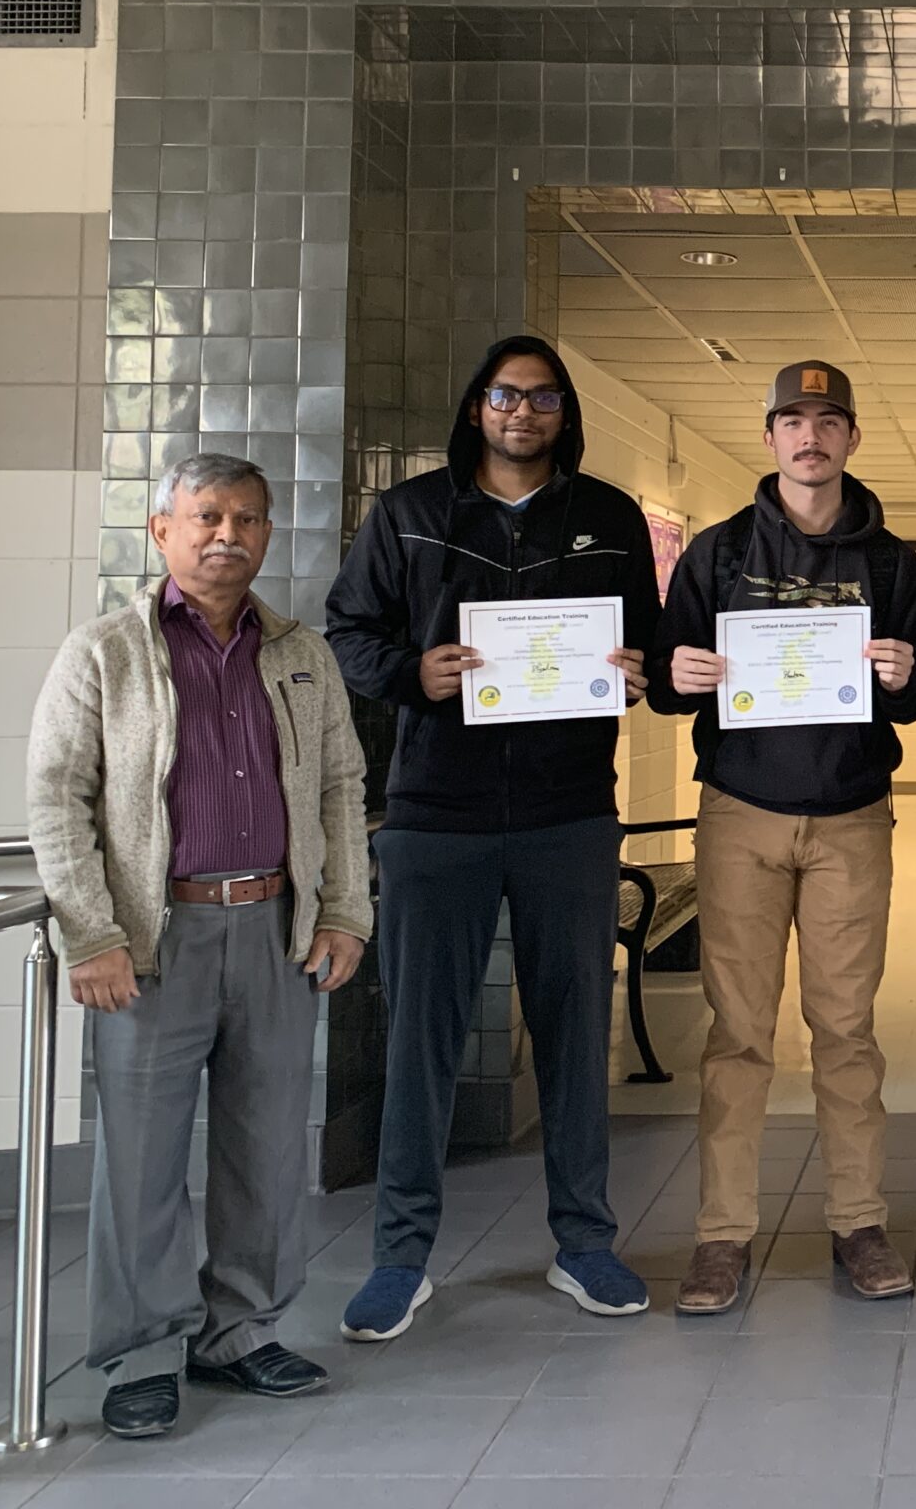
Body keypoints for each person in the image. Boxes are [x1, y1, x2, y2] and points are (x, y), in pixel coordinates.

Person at [27, 453, 371, 1440]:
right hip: (152, 943)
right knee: (140, 1162)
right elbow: (57, 797)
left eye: (250, 520)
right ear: (162, 531)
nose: (229, 535)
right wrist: (90, 933)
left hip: (273, 931)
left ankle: (240, 1332)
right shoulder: (103, 654)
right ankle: (140, 1349)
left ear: (268, 535)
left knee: (267, 1148)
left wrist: (345, 913)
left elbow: (342, 789)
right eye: (208, 516)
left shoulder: (301, 654)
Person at [324, 337, 662, 1338]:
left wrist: (634, 670)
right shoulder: (411, 514)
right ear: (476, 407)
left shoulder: (606, 517)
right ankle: (401, 1256)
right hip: (438, 811)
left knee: (570, 1029)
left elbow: (640, 632)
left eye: (544, 397)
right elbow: (349, 630)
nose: (524, 412)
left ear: (564, 412)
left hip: (568, 811)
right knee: (422, 1036)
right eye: (505, 396)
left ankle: (585, 1243)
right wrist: (410, 673)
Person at [646, 359, 916, 1315]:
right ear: (771, 436)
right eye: (792, 421)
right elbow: (664, 676)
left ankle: (860, 1221)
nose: (810, 437)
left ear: (851, 438)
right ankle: (722, 1237)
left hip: (853, 816)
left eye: (828, 421)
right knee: (737, 1038)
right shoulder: (719, 553)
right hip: (741, 812)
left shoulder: (893, 565)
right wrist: (679, 671)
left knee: (847, 1033)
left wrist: (905, 674)